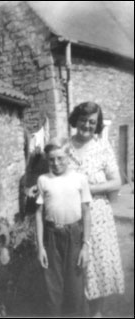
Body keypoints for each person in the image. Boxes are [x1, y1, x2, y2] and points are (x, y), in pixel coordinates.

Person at [68, 101, 124, 317]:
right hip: (72, 217)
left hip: (99, 217)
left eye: (93, 122)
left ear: (97, 124)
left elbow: (116, 182)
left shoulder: (102, 146)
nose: (87, 125)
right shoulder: (65, 146)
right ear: (76, 119)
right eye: (83, 120)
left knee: (98, 267)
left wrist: (88, 188)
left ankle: (97, 314)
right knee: (75, 268)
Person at [35, 138, 92, 317]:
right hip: (52, 235)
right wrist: (40, 247)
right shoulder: (43, 180)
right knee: (53, 290)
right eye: (51, 159)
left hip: (74, 235)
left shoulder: (80, 179)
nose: (56, 163)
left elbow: (86, 213)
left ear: (69, 156)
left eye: (60, 158)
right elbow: (38, 214)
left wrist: (85, 245)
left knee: (75, 289)